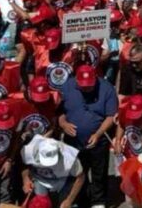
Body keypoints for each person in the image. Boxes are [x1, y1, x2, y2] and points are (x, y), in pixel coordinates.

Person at [57, 64, 115, 208]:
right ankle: (80, 199)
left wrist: (98, 133)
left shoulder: (107, 88)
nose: (86, 89)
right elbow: (59, 112)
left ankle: (98, 201)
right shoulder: (66, 86)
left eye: (89, 86)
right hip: (73, 140)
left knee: (99, 172)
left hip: (98, 138)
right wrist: (64, 124)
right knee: (76, 171)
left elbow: (111, 116)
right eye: (83, 86)